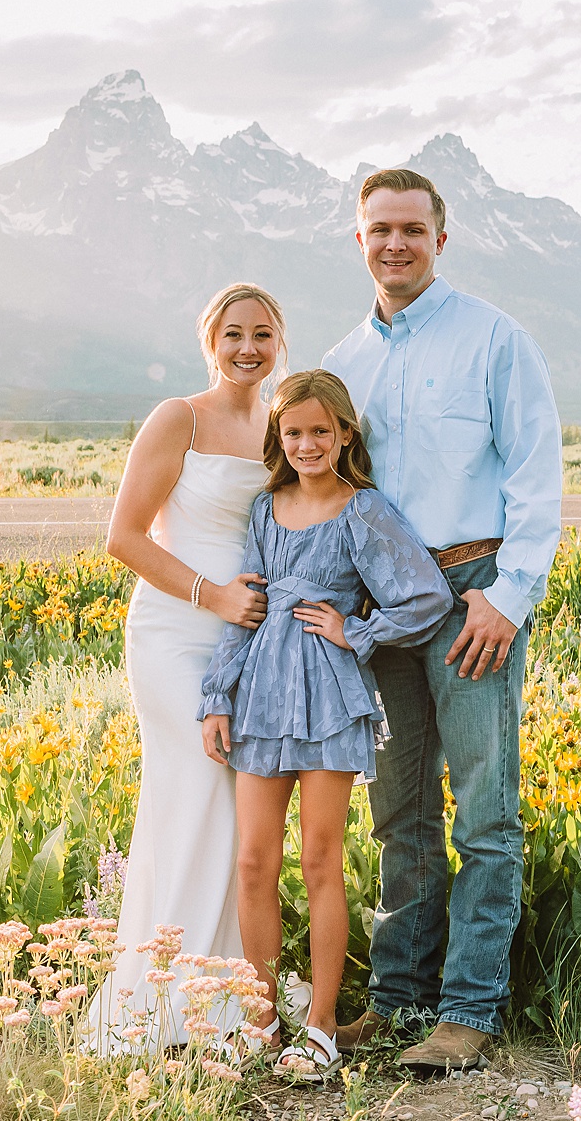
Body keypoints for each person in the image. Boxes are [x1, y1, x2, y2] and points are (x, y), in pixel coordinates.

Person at [321, 168, 563, 1073]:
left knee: (485, 814)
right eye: (379, 229)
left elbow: (536, 474)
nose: (395, 244)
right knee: (401, 812)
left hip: (473, 593)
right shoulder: (343, 363)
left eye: (412, 229)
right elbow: (331, 489)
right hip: (385, 601)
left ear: (440, 238)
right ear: (358, 240)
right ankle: (396, 1002)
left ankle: (468, 1012)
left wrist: (509, 595)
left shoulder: (496, 339)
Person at [197, 370, 453, 1079]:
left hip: (330, 697)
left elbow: (427, 594)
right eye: (294, 432)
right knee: (253, 860)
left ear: (344, 433)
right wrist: (218, 693)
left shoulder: (362, 510)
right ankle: (260, 1019)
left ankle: (321, 1027)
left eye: (320, 430)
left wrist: (358, 631)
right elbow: (246, 606)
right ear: (278, 438)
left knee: (319, 859)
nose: (307, 443)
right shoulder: (265, 508)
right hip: (260, 699)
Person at [95, 283, 283, 1050]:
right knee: (197, 783)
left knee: (242, 806)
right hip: (177, 631)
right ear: (211, 341)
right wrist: (212, 595)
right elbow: (125, 536)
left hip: (251, 639)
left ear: (280, 344)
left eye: (262, 334)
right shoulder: (180, 417)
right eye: (233, 333)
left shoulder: (281, 428)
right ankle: (161, 992)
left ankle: (227, 993)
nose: (247, 347)